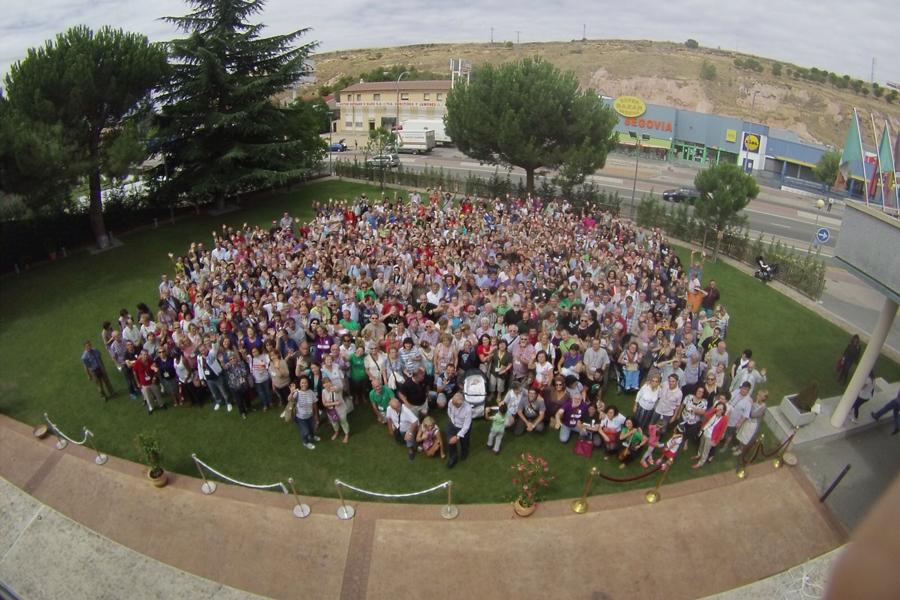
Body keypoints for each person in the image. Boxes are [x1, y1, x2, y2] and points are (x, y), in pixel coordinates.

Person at [693, 401, 728, 469]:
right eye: (718, 408)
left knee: (706, 451)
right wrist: (715, 410)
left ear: (723, 410)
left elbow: (722, 431)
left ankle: (700, 463)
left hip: (711, 437)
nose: (719, 410)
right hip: (705, 432)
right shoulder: (712, 413)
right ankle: (698, 455)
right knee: (701, 445)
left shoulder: (724, 419)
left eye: (721, 409)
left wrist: (716, 441)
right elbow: (706, 415)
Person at [734, 390, 768, 455]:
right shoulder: (757, 402)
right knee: (741, 433)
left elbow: (753, 415)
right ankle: (738, 446)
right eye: (758, 395)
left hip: (752, 424)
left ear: (763, 398)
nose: (757, 396)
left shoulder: (763, 407)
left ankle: (741, 450)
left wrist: (751, 405)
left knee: (745, 437)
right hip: (748, 421)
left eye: (759, 396)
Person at [132, 350, 166, 414]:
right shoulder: (137, 363)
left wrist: (154, 377)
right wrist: (138, 383)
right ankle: (151, 407)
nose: (146, 356)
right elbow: (135, 373)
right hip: (144, 384)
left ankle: (161, 404)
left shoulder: (150, 360)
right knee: (148, 397)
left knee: (157, 394)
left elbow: (155, 369)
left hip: (152, 382)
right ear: (141, 355)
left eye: (147, 354)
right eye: (144, 355)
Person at [291, 379, 320, 449]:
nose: (304, 384)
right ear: (300, 384)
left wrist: (316, 415)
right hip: (300, 418)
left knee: (311, 428)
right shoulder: (297, 393)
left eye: (305, 382)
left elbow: (314, 404)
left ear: (308, 383)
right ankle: (305, 442)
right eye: (302, 383)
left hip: (310, 416)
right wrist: (291, 393)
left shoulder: (311, 392)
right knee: (305, 431)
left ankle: (312, 436)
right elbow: (290, 400)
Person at [446, 392, 472, 469]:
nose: (453, 405)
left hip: (463, 426)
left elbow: (466, 426)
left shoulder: (468, 409)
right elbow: (449, 410)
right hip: (452, 423)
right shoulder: (451, 402)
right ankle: (453, 458)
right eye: (453, 404)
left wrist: (457, 436)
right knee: (451, 441)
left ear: (462, 403)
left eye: (456, 405)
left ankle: (464, 451)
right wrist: (451, 419)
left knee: (464, 442)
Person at [322, 377, 349, 443]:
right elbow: (324, 403)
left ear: (331, 382)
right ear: (323, 385)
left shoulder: (335, 388)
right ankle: (336, 432)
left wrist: (335, 389)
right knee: (334, 423)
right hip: (331, 411)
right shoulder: (323, 391)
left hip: (340, 409)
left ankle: (346, 434)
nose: (327, 384)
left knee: (343, 421)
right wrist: (334, 403)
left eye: (328, 382)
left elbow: (339, 389)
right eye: (325, 383)